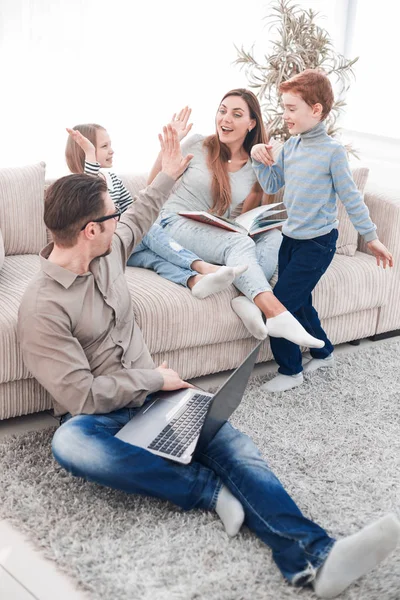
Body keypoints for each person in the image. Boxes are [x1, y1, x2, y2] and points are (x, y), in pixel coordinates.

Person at [17, 124, 399, 600]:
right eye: (109, 216)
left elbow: (141, 216)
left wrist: (169, 174)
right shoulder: (42, 309)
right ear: (89, 230)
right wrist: (154, 377)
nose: (119, 221)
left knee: (234, 449)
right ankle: (205, 491)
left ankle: (315, 557)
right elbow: (80, 395)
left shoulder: (108, 247)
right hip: (105, 415)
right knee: (71, 444)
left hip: (160, 395)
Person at [250, 69, 394, 392]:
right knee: (300, 303)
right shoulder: (290, 147)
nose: (285, 115)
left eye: (291, 108)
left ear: (316, 110)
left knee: (280, 304)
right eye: (283, 107)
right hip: (290, 239)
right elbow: (273, 184)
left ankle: (290, 370)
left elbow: (351, 198)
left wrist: (371, 238)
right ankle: (323, 350)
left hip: (318, 244)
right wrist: (259, 159)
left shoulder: (332, 152)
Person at [153, 89, 324, 348]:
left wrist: (273, 161)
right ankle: (275, 312)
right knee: (239, 245)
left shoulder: (255, 165)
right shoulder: (198, 144)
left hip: (211, 233)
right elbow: (153, 186)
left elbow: (246, 218)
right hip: (172, 222)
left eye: (236, 114)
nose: (226, 119)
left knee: (273, 238)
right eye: (222, 111)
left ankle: (247, 298)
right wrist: (170, 147)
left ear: (251, 123)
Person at [65, 109, 247, 300]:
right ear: (87, 153)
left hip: (128, 247)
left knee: (155, 260)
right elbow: (91, 190)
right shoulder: (80, 184)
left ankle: (194, 280)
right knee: (150, 229)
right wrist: (89, 154)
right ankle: (201, 266)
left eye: (110, 145)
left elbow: (135, 208)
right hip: (109, 244)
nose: (111, 150)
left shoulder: (113, 178)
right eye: (104, 146)